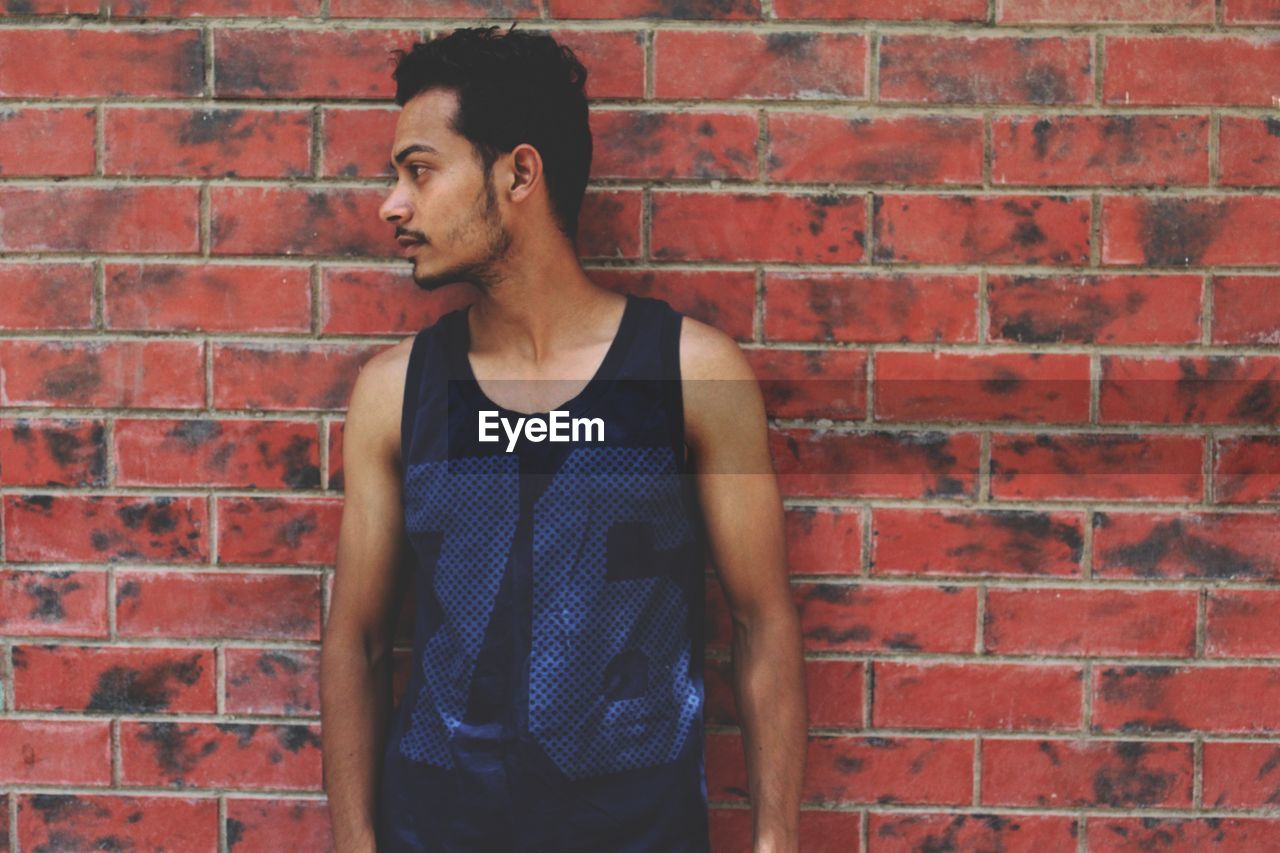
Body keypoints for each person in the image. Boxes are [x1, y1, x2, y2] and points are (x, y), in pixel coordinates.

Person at [320, 23, 805, 853]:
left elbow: (762, 622)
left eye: (420, 171)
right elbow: (357, 639)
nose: (391, 204)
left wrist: (775, 843)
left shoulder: (690, 372)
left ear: (518, 172)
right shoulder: (393, 392)